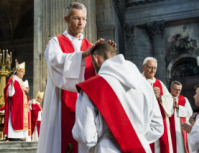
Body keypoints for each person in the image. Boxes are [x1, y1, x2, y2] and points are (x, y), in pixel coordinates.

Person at [37, 2, 115, 153]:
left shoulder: (89, 45)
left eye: (84, 19)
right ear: (66, 19)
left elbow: (98, 75)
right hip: (60, 101)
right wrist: (82, 55)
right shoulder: (56, 41)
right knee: (61, 140)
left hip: (85, 102)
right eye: (76, 18)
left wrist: (108, 55)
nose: (81, 23)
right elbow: (55, 61)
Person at [72, 43, 164, 153]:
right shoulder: (145, 84)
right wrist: (137, 138)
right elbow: (158, 127)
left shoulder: (92, 87)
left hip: (107, 149)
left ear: (96, 59)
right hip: (141, 148)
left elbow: (85, 137)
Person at [142, 57, 174, 153]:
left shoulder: (159, 83)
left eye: (155, 68)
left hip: (159, 122)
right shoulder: (138, 81)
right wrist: (149, 94)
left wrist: (159, 97)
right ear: (143, 67)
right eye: (150, 67)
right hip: (145, 122)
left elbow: (169, 100)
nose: (153, 70)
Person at [3, 62, 30, 141]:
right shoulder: (13, 80)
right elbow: (10, 93)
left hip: (22, 107)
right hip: (15, 106)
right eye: (22, 72)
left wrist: (26, 91)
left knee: (22, 121)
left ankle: (20, 136)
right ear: (18, 71)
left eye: (24, 72)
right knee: (16, 120)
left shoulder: (21, 82)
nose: (24, 74)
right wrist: (11, 84)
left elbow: (23, 94)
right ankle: (14, 136)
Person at [169, 81, 193, 153]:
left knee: (182, 148)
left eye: (179, 90)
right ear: (171, 89)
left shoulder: (184, 99)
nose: (177, 92)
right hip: (169, 127)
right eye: (176, 89)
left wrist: (178, 107)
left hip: (181, 129)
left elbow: (190, 112)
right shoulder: (166, 98)